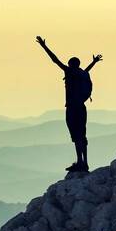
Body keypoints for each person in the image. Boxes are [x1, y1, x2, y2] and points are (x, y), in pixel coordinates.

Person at [36, 36, 102, 172]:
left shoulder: (69, 72)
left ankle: (79, 163)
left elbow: (55, 60)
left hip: (72, 108)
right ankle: (85, 162)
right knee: (82, 135)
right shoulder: (82, 74)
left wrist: (43, 46)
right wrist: (94, 62)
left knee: (76, 135)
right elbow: (87, 70)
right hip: (82, 108)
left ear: (71, 65)